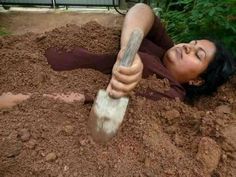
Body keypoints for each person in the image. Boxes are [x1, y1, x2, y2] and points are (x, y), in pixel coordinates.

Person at [45, 3, 236, 101]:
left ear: (197, 80)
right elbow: (142, 10)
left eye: (197, 55)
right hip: (34, 48)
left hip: (44, 75)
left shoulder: (172, 93)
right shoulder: (165, 47)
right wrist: (128, 49)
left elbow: (90, 98)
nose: (188, 46)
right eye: (192, 43)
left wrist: (26, 99)